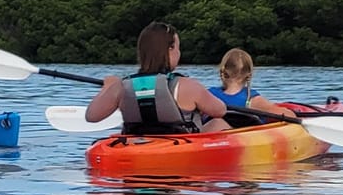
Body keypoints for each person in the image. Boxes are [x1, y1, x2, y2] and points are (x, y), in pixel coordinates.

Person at [81, 21, 229, 134]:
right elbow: (220, 111)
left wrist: (107, 87)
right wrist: (200, 105)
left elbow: (91, 116)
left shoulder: (121, 86)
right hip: (179, 147)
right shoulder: (187, 85)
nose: (179, 53)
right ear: (170, 49)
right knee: (219, 123)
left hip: (138, 146)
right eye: (178, 48)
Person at [208, 48, 295, 119]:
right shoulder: (252, 100)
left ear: (223, 71)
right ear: (249, 74)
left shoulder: (209, 95)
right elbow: (289, 115)